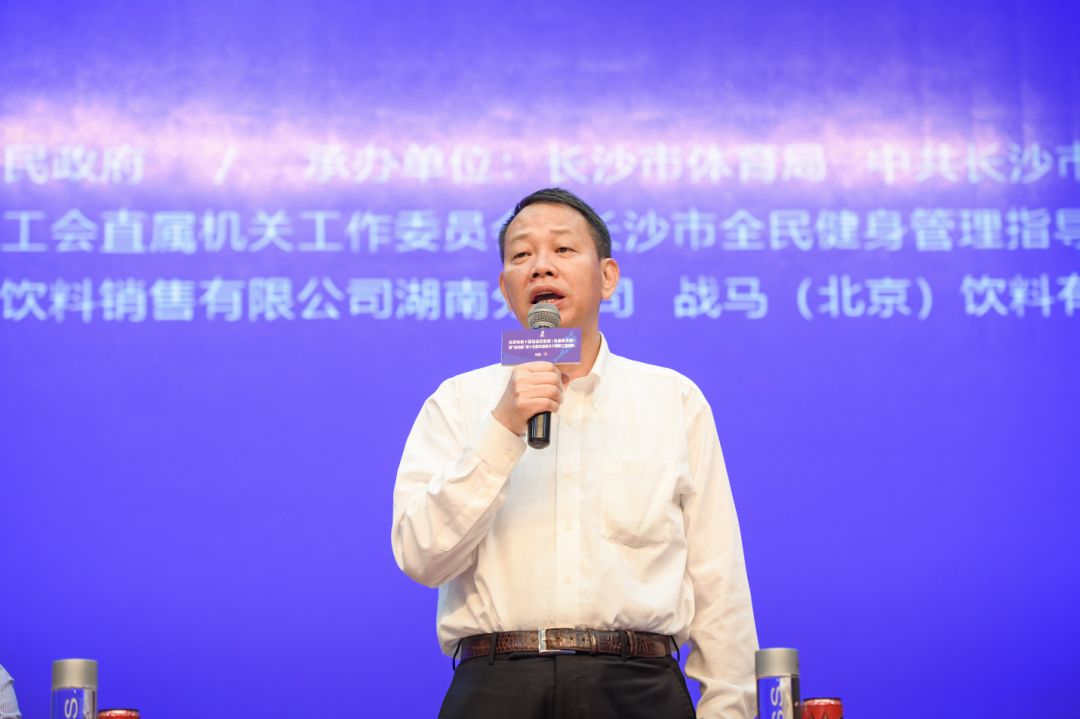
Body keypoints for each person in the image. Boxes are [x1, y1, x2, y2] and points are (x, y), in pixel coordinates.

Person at [391, 187, 757, 718]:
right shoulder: (459, 402)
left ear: (607, 277)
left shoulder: (671, 400)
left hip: (637, 689)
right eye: (522, 254)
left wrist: (730, 709)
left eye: (563, 249)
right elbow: (422, 557)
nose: (541, 266)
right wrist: (503, 427)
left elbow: (717, 578)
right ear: (506, 288)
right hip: (497, 688)